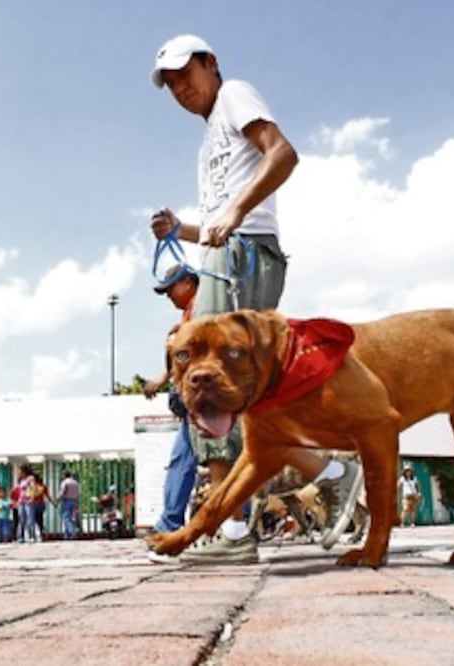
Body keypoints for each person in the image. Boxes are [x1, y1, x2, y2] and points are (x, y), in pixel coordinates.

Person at [149, 34, 362, 564]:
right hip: (234, 249)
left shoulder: (234, 96)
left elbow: (284, 154)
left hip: (247, 251)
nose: (179, 88)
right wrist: (184, 228)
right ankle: (331, 475)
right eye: (170, 83)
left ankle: (237, 530)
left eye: (185, 74)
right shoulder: (208, 142)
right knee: (252, 399)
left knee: (212, 384)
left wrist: (235, 213)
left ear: (212, 64)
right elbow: (221, 223)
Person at [143, 264, 200, 544]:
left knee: (206, 460)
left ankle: (171, 522)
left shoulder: (203, 308)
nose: (168, 296)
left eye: (171, 289)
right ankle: (170, 521)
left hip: (204, 398)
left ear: (188, 282)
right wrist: (163, 377)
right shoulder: (188, 315)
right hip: (195, 398)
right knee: (186, 459)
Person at [58, 469, 81, 540]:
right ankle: (67, 535)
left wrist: (57, 499)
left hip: (66, 501)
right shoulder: (75, 483)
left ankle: (73, 532)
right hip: (75, 501)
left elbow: (62, 492)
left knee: (66, 518)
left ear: (64, 475)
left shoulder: (64, 482)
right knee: (71, 518)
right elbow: (79, 493)